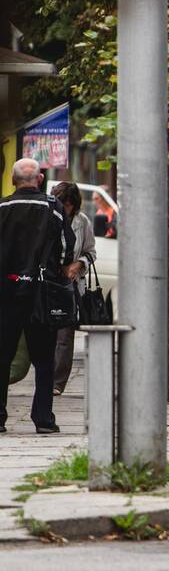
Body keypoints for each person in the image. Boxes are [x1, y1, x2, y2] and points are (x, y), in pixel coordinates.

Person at [0, 158, 75, 434]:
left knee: (2, 356)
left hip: (5, 293)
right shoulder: (52, 208)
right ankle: (43, 419)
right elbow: (68, 246)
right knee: (44, 359)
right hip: (40, 294)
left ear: (12, 180)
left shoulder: (2, 207)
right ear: (40, 180)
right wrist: (60, 266)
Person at [50, 182, 96, 395]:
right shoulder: (47, 217)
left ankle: (57, 383)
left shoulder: (82, 221)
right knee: (45, 333)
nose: (66, 208)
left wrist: (77, 265)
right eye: (63, 204)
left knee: (65, 336)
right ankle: (45, 375)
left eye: (69, 205)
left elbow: (91, 252)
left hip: (70, 285)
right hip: (48, 282)